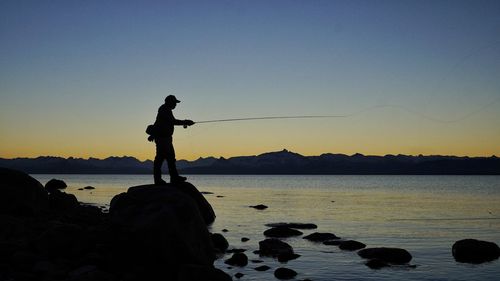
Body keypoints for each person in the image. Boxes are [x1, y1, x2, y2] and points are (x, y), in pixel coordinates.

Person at [152, 95, 194, 185]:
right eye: (175, 103)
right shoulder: (164, 109)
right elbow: (173, 121)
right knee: (161, 159)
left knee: (170, 158)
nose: (176, 105)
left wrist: (153, 135)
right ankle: (159, 180)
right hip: (163, 139)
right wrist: (185, 122)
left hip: (166, 138)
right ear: (169, 102)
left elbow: (158, 122)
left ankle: (173, 178)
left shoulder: (165, 109)